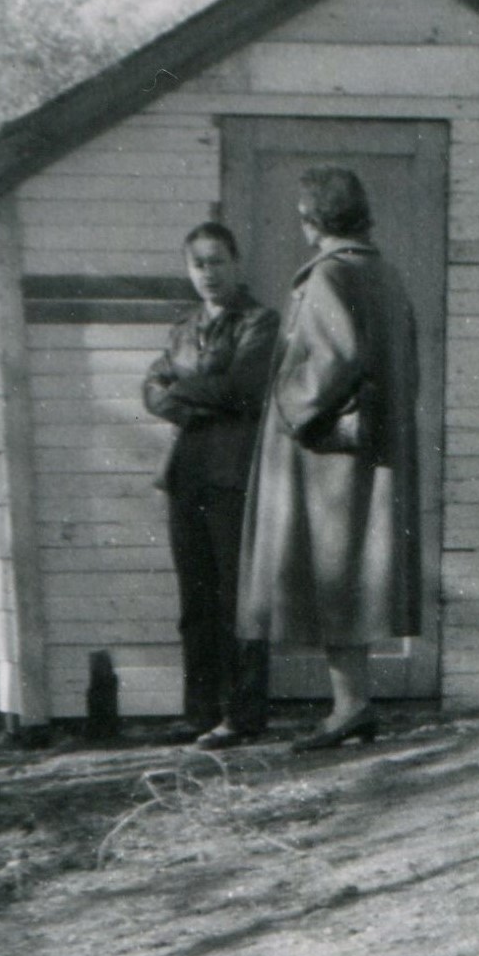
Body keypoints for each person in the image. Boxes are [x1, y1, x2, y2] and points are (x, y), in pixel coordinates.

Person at [236, 164, 423, 751]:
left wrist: (289, 405)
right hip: (370, 448)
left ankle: (350, 706)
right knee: (353, 575)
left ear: (313, 219)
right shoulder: (386, 275)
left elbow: (327, 362)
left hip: (329, 458)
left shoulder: (328, 278)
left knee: (335, 572)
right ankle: (354, 704)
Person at [141, 219, 280, 742]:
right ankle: (199, 713)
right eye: (198, 264)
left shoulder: (259, 322)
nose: (208, 273)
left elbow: (242, 388)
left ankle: (242, 715)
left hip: (232, 474)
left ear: (236, 263)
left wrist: (183, 389)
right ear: (188, 270)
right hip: (186, 474)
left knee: (234, 600)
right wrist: (192, 394)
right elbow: (151, 390)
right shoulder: (182, 329)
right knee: (194, 602)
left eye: (217, 261)